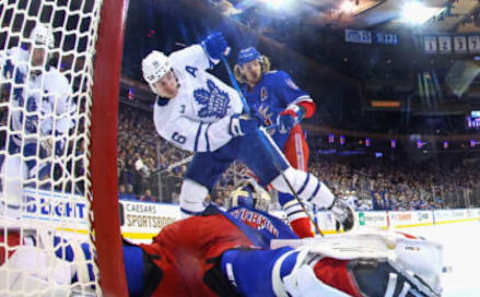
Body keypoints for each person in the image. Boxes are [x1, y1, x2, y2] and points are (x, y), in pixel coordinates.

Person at [141, 32, 353, 231]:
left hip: (241, 120)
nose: (169, 83)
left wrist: (212, 47)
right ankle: (195, 239)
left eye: (168, 75)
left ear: (170, 67)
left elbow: (207, 52)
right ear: (153, 87)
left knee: (283, 179)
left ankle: (334, 205)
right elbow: (203, 139)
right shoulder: (165, 121)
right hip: (216, 140)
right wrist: (233, 125)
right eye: (161, 83)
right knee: (190, 194)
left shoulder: (179, 60)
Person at [121, 202, 442, 297]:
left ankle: (316, 272)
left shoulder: (244, 214)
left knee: (227, 269)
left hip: (185, 249)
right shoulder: (262, 219)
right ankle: (310, 272)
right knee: (230, 271)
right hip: (199, 253)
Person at [233, 47, 318, 237]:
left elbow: (307, 103)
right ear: (240, 71)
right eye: (247, 67)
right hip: (266, 149)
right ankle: (253, 238)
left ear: (261, 63)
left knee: (290, 192)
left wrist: (293, 114)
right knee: (247, 193)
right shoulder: (241, 97)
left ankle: (307, 240)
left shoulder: (276, 79)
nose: (253, 69)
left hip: (289, 140)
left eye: (255, 64)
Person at [0, 23, 76, 218]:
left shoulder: (58, 83)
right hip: (16, 140)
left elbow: (69, 116)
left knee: (29, 188)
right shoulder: (15, 58)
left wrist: (57, 138)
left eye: (45, 50)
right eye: (37, 47)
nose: (40, 54)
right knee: (11, 176)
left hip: (42, 148)